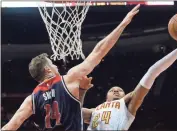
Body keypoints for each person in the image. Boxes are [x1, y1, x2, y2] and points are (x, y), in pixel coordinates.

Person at [1, 4, 140, 131]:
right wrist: (123, 24)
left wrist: (81, 91)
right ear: (47, 70)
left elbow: (10, 126)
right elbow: (98, 51)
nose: (56, 65)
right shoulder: (69, 79)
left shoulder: (31, 99)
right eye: (52, 64)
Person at [82, 27, 177, 130]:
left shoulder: (127, 109)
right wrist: (82, 91)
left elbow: (153, 71)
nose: (116, 90)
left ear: (126, 96)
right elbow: (72, 112)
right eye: (112, 90)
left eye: (119, 90)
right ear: (106, 98)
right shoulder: (95, 111)